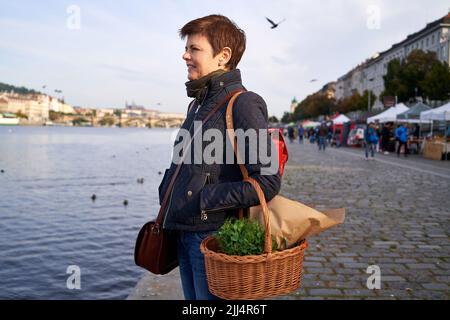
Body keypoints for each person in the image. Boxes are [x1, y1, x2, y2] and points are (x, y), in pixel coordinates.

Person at [157, 15, 281, 300]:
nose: (185, 55)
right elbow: (182, 166)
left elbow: (269, 181)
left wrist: (205, 199)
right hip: (183, 233)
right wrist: (168, 195)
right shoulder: (195, 106)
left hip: (212, 238)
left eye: (194, 49)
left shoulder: (243, 104)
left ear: (223, 56)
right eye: (186, 48)